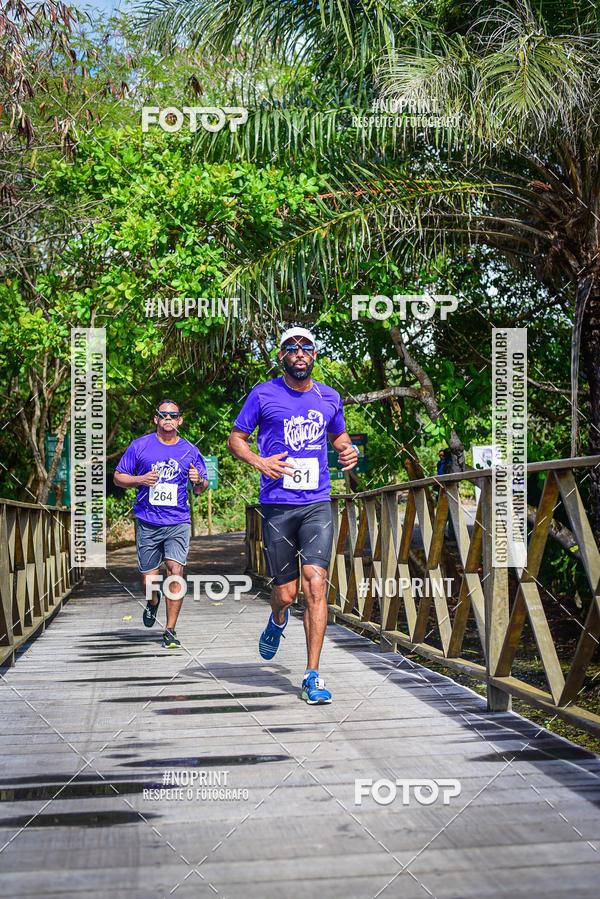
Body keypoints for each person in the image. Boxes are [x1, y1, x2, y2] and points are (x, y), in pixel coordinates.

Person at [227, 327, 358, 704]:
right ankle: (278, 618)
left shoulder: (329, 397)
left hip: (317, 503)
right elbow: (237, 438)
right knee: (285, 593)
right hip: (278, 506)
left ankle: (311, 675)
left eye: (306, 348)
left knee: (315, 582)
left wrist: (347, 452)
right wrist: (259, 461)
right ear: (281, 356)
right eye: (291, 348)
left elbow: (339, 438)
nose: (299, 353)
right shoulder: (263, 393)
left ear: (314, 355)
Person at [114, 399, 208, 648]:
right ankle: (153, 601)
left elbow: (201, 488)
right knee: (149, 582)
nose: (168, 418)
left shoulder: (190, 450)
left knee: (175, 571)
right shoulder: (140, 446)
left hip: (178, 520)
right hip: (148, 520)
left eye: (173, 415)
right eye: (163, 415)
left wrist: (198, 480)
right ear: (156, 419)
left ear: (180, 420)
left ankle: (170, 630)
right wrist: (140, 479)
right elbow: (118, 477)